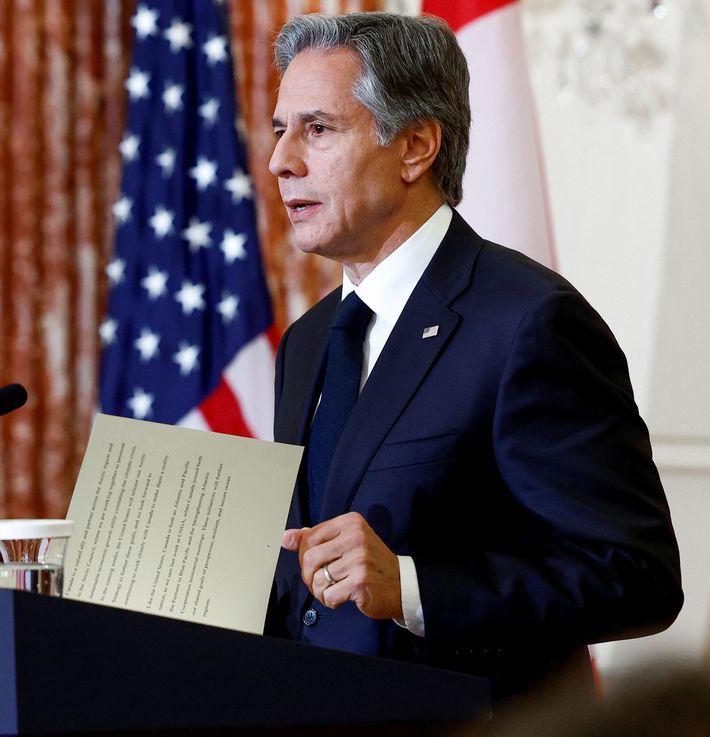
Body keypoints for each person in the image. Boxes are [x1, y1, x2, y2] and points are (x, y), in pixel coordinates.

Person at [263, 12, 683, 702]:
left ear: (415, 146)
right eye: (280, 130)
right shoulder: (308, 341)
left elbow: (636, 576)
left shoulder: (529, 322)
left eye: (318, 129)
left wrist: (415, 588)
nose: (281, 160)